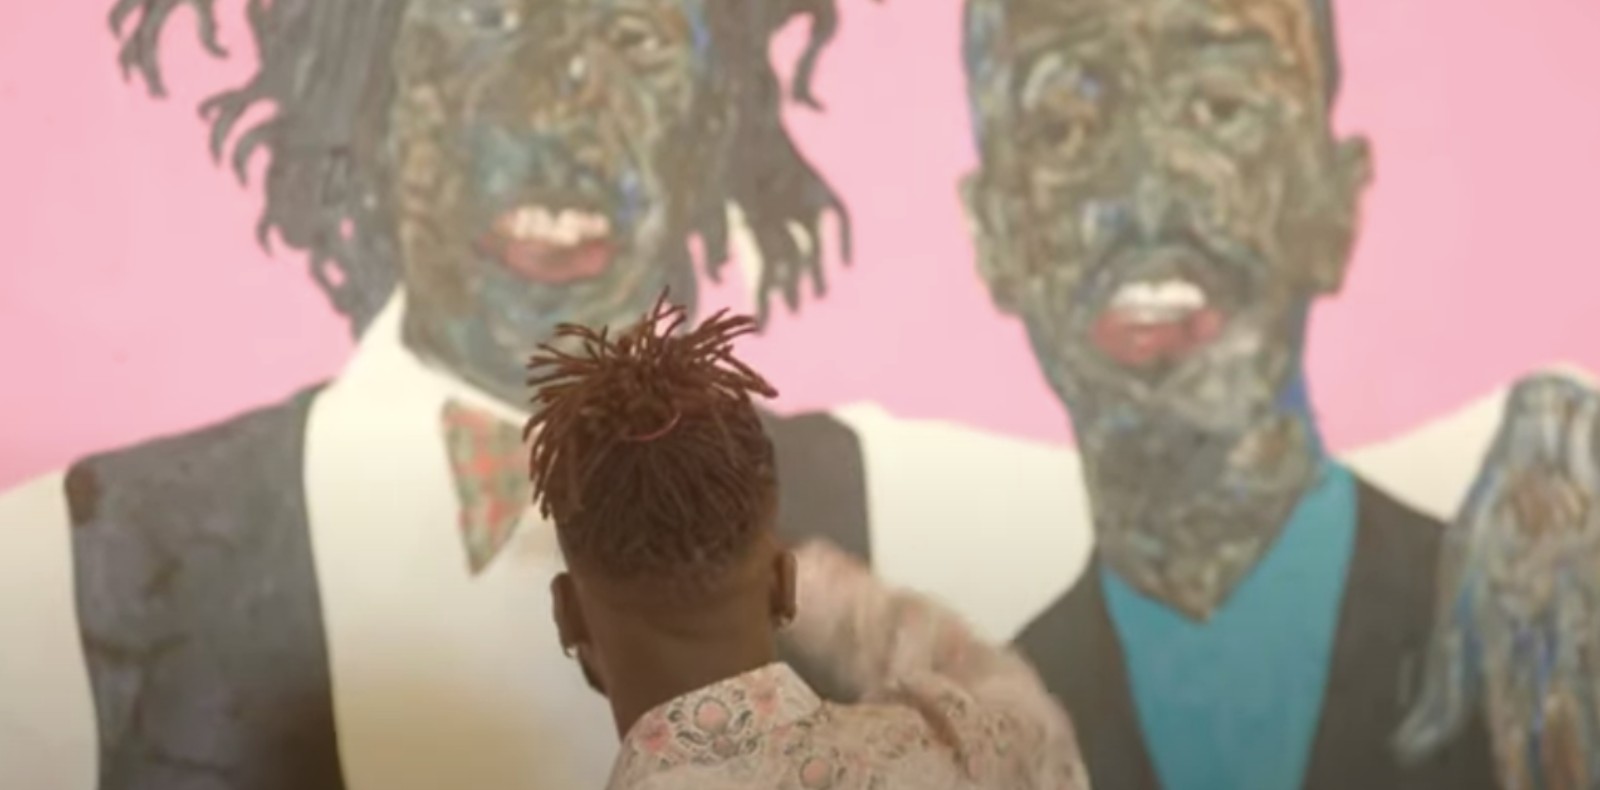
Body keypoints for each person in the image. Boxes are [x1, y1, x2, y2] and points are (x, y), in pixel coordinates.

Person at [0, 1, 873, 788]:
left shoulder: (904, 501)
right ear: (364, 97)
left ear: (716, 108)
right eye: (485, 24)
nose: (555, 107)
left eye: (631, 34)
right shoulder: (57, 565)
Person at [819, 0, 1594, 788]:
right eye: (1064, 128)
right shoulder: (980, 754)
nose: (1146, 199)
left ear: (1334, 202)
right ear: (996, 236)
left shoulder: (1542, 646)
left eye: (1219, 108)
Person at [524, 294, 1088, 789]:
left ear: (567, 617)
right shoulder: (954, 764)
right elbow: (1031, 722)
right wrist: (828, 588)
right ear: (783, 586)